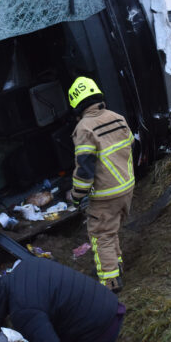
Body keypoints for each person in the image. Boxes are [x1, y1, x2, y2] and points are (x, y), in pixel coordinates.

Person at [65, 76, 135, 292]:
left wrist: (76, 195)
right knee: (111, 230)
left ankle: (110, 281)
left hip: (105, 194)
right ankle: (117, 264)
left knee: (101, 235)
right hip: (127, 187)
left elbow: (85, 170)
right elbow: (130, 144)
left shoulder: (84, 128)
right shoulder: (117, 117)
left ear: (76, 104)